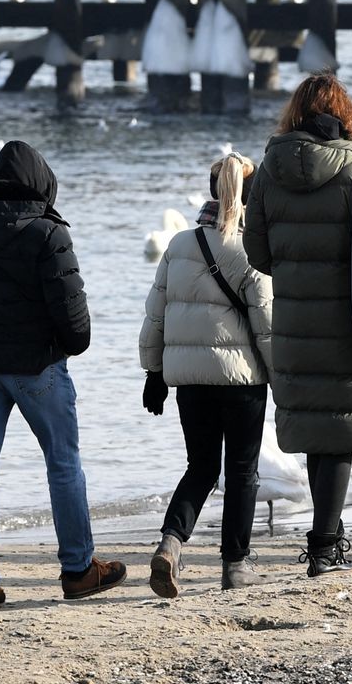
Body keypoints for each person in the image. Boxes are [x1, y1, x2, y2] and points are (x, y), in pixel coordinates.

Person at [0, 142, 124, 610]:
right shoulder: (46, 231)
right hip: (39, 366)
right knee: (63, 465)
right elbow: (74, 318)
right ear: (41, 182)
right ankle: (78, 571)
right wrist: (66, 346)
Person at [243, 72, 352, 576]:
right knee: (339, 433)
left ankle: (325, 540)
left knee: (318, 431)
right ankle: (324, 545)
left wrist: (298, 271)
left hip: (295, 325)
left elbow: (257, 252)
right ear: (345, 113)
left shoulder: (268, 169)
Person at [140, 152, 273, 594]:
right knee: (242, 472)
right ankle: (235, 566)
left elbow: (155, 315)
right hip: (241, 381)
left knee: (200, 467)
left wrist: (154, 373)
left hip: (190, 382)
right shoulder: (252, 249)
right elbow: (267, 326)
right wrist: (283, 379)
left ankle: (170, 544)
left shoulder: (180, 245)